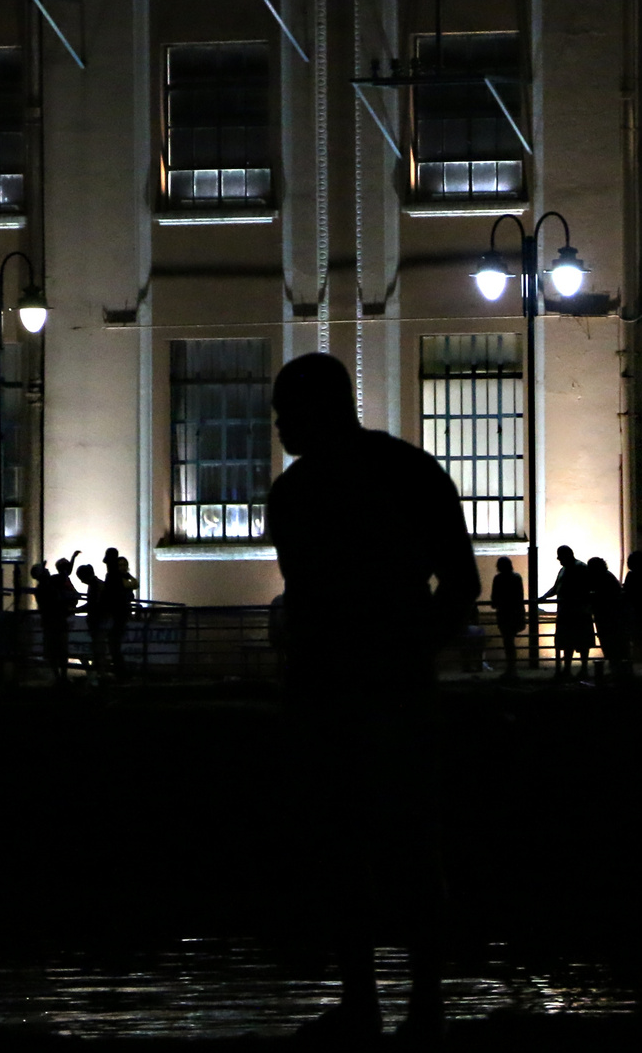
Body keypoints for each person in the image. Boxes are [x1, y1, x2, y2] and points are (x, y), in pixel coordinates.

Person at [266, 352, 479, 1044]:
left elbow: (305, 602)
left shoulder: (294, 495)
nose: (278, 426)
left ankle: (363, 999)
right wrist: (414, 647)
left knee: (343, 849)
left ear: (315, 410)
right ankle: (425, 1004)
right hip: (396, 689)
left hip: (327, 691)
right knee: (413, 846)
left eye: (286, 412)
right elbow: (462, 584)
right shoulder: (412, 473)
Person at [538, 545, 593, 680]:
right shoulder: (568, 569)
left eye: (560, 556)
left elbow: (560, 588)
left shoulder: (579, 568)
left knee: (577, 641)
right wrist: (544, 596)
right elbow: (556, 587)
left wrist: (545, 597)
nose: (558, 559)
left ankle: (580, 668)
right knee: (570, 641)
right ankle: (570, 669)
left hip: (576, 611)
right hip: (570, 611)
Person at [586, 556, 630, 679]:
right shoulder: (606, 577)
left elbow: (604, 597)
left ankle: (617, 669)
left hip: (608, 617)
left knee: (611, 644)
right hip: (610, 616)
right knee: (614, 644)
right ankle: (620, 669)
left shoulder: (602, 578)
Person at [42, 551, 81, 684]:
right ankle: (60, 675)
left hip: (57, 619)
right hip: (60, 618)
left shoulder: (56, 579)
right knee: (60, 650)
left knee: (58, 650)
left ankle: (60, 675)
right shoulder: (59, 580)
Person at [102, 552, 139, 680]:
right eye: (120, 564)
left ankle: (120, 671)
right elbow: (132, 585)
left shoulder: (113, 576)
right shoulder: (116, 577)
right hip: (119, 613)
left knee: (114, 644)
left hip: (118, 613)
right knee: (115, 644)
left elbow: (134, 584)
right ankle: (121, 671)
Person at [489, 557, 527, 679]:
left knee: (508, 642)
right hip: (515, 614)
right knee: (510, 642)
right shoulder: (516, 578)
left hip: (504, 614)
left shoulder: (498, 579)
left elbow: (494, 599)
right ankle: (512, 669)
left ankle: (511, 669)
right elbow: (519, 597)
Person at [75, 562, 107, 680]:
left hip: (98, 621)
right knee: (99, 648)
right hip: (99, 620)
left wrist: (77, 609)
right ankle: (99, 673)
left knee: (98, 648)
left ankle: (99, 673)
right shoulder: (98, 584)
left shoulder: (94, 586)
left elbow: (93, 604)